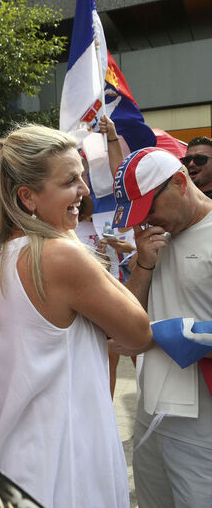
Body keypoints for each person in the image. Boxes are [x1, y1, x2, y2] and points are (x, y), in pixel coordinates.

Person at [0, 125, 152, 508]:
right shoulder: (59, 254)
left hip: (5, 458)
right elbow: (139, 332)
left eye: (81, 176)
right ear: (27, 197)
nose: (83, 191)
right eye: (70, 181)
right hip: (62, 466)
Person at [107, 147, 212, 508]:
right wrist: (144, 266)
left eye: (149, 209)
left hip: (202, 421)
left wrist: (158, 335)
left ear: (180, 183)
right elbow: (125, 317)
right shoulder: (151, 241)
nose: (144, 222)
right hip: (151, 409)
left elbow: (142, 333)